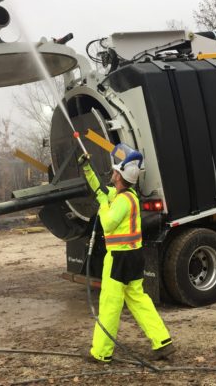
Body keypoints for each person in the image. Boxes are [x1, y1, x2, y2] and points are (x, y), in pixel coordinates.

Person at [79, 153, 175, 363]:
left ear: (120, 176)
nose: (112, 174)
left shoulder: (122, 201)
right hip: (133, 256)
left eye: (115, 171)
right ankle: (162, 341)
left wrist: (104, 205)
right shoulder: (126, 195)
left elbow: (108, 223)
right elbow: (101, 191)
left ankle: (102, 352)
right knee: (138, 299)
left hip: (118, 259)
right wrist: (87, 168)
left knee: (109, 304)